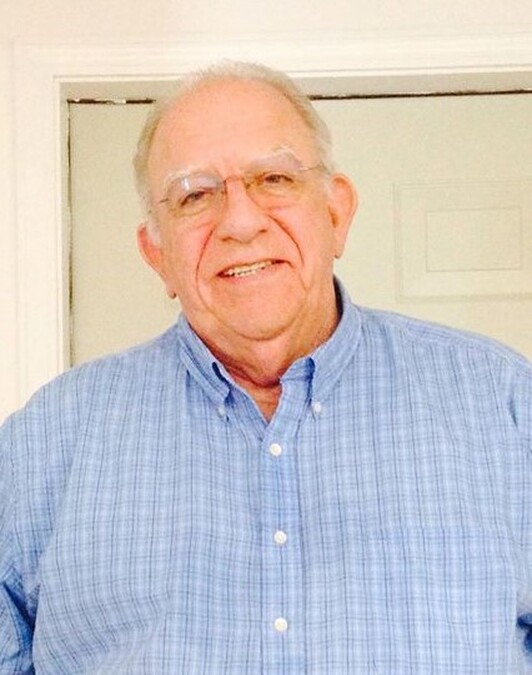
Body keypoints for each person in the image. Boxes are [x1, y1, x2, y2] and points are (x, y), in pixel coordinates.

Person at [1, 61, 531, 674]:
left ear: (336, 213)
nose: (240, 222)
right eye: (195, 195)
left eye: (274, 179)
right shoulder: (46, 444)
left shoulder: (505, 408)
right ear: (156, 253)